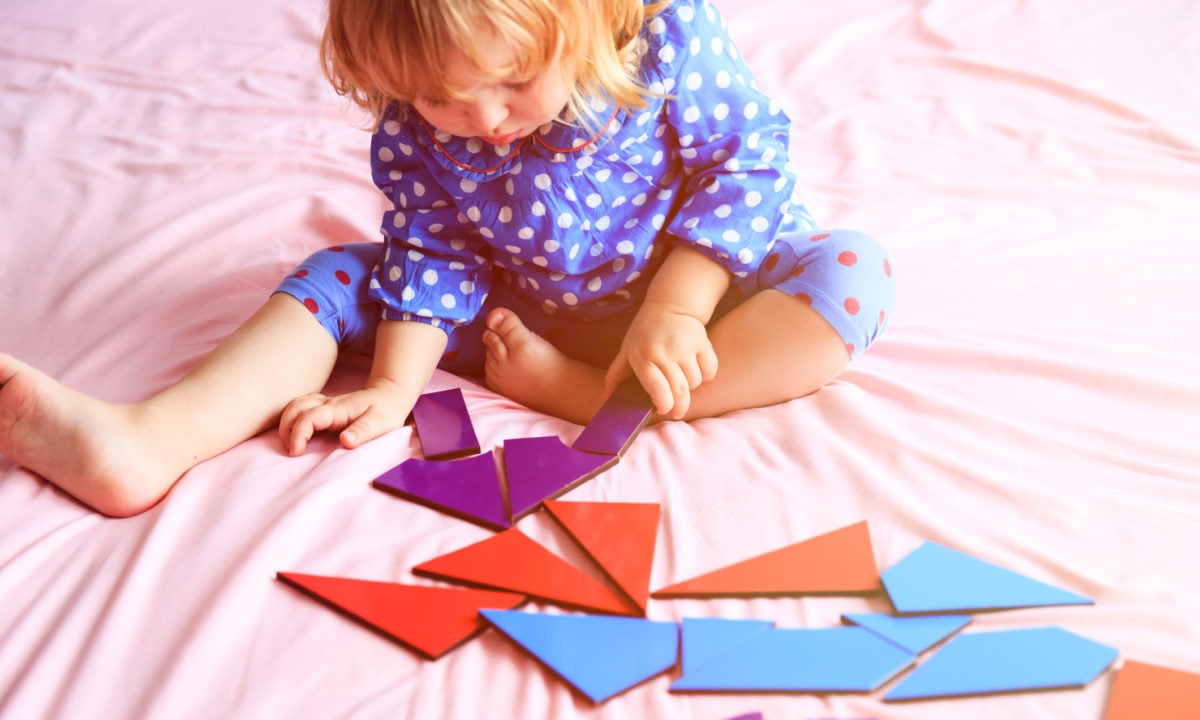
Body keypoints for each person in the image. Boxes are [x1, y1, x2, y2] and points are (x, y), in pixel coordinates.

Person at [0, 0, 895, 517]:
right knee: (340, 277)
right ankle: (151, 441)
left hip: (703, 299)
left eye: (513, 82)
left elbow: (745, 165)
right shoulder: (413, 120)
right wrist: (394, 388)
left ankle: (594, 396)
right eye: (442, 96)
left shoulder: (664, 40)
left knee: (853, 276)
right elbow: (431, 246)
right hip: (522, 312)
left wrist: (675, 310)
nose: (489, 119)